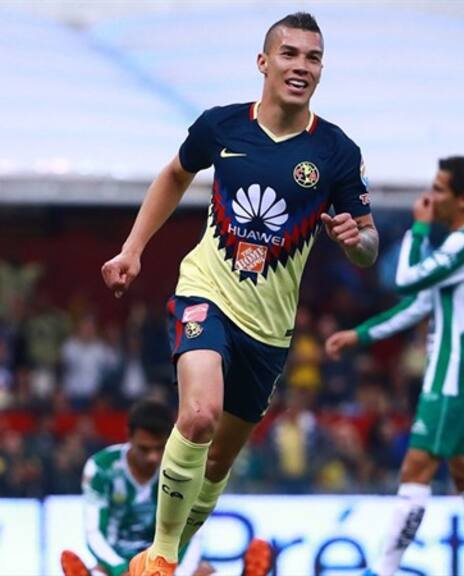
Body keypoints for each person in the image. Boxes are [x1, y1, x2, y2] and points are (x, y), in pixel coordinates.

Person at [100, 12, 378, 576]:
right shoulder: (222, 126)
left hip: (270, 329)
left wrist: (357, 240)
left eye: (313, 58)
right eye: (290, 54)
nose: (301, 66)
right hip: (206, 291)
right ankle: (160, 554)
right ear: (264, 62)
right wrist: (132, 249)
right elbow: (174, 174)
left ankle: (169, 554)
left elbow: (368, 244)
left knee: (219, 458)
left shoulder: (337, 152)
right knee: (197, 416)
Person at [325, 156, 464, 575]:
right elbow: (419, 303)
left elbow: (402, 280)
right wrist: (360, 334)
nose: (430, 196)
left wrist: (417, 228)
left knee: (416, 467)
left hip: (452, 373)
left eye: (439, 189)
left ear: (462, 199)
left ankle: (383, 569)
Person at [59, 400, 210, 576]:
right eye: (144, 449)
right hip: (118, 562)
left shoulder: (183, 471)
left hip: (164, 561)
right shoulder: (101, 468)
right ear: (129, 436)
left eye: (159, 448)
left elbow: (194, 533)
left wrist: (179, 572)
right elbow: (94, 532)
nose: (152, 458)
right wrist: (120, 570)